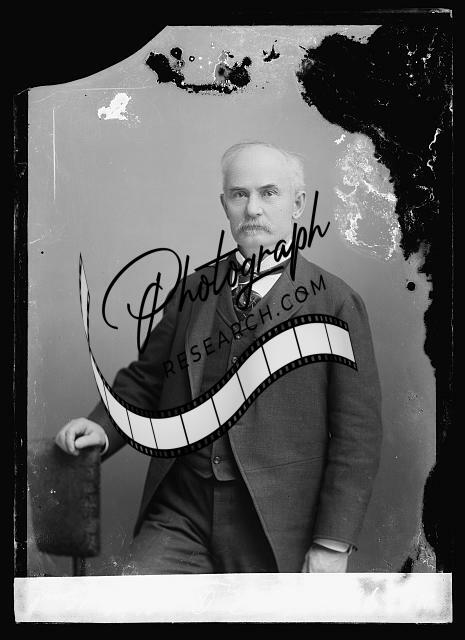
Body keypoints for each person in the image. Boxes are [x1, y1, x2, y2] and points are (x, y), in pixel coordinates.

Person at [55, 141, 383, 574]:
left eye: (269, 193)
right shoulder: (192, 290)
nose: (253, 209)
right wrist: (101, 427)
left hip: (274, 523)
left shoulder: (337, 303)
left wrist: (332, 543)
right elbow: (147, 380)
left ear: (298, 204)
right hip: (180, 510)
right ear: (224, 205)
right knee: (134, 602)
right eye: (239, 194)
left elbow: (357, 436)